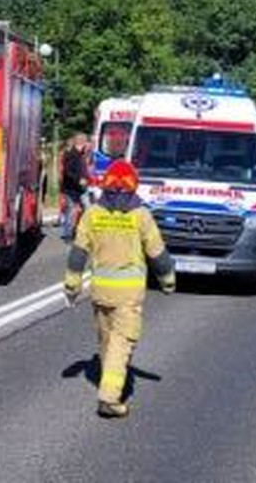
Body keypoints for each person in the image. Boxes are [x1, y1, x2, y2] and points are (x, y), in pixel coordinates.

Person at [64, 159, 176, 418]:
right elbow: (157, 253)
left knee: (106, 341)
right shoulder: (140, 215)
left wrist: (72, 284)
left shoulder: (93, 214)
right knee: (121, 343)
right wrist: (168, 280)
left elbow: (78, 252)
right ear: (133, 185)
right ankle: (109, 397)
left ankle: (109, 380)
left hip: (101, 292)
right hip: (128, 296)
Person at [60, 133, 91, 241]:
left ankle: (83, 231)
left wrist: (87, 178)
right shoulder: (71, 155)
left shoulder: (79, 155)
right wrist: (79, 180)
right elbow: (68, 172)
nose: (89, 146)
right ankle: (67, 234)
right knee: (71, 211)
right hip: (71, 189)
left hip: (80, 189)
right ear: (82, 143)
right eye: (87, 143)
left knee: (87, 208)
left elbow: (82, 170)